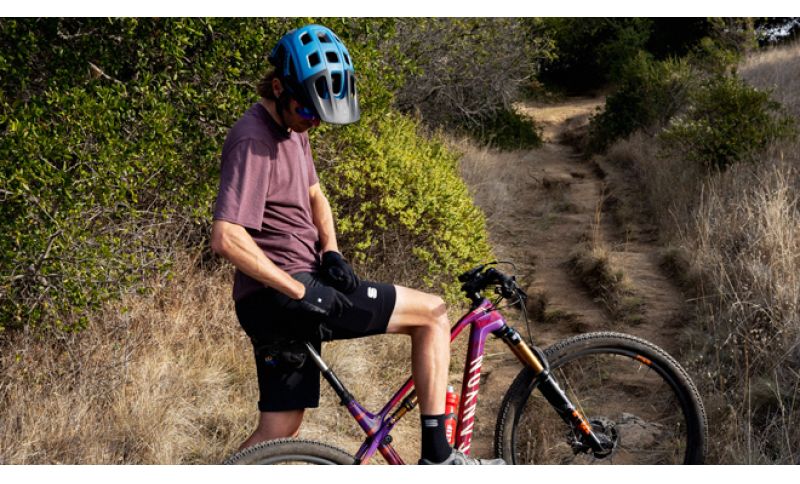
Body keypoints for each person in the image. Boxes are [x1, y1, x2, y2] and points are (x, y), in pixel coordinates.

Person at [210, 24, 503, 465]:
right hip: (281, 295)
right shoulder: (253, 139)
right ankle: (438, 457)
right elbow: (227, 236)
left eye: (319, 115)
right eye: (307, 111)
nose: (312, 121)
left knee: (280, 428)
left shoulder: (294, 128)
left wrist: (331, 251)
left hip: (275, 299)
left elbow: (315, 195)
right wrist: (300, 290)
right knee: (432, 314)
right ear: (279, 88)